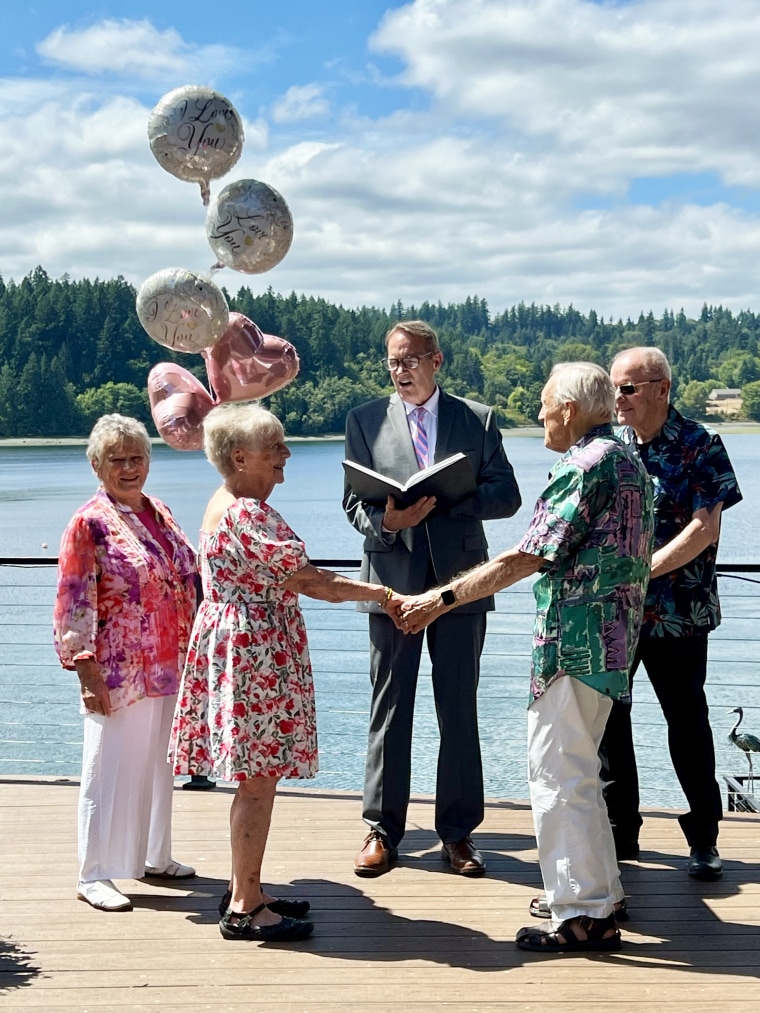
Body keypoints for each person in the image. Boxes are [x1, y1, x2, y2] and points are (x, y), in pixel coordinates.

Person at [396, 362, 654, 953]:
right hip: (610, 643)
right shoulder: (627, 458)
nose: (537, 414)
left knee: (558, 777)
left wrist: (440, 599)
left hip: (575, 643)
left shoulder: (584, 466)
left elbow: (525, 556)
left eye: (543, 403)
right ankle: (599, 895)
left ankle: (581, 915)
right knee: (579, 773)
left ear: (567, 407)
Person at [170, 402, 402, 942]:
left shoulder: (225, 500)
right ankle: (245, 907)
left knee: (257, 779)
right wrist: (385, 594)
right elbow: (310, 580)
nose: (285, 456)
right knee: (257, 780)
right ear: (239, 456)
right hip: (255, 656)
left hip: (244, 647)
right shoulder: (245, 512)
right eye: (274, 447)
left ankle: (246, 888)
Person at [343, 320, 521, 877]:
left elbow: (508, 496)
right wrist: (387, 521)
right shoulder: (363, 420)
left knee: (458, 709)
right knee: (389, 707)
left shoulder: (479, 418)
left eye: (411, 360)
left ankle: (460, 834)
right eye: (393, 362)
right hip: (391, 584)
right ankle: (382, 830)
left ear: (436, 360)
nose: (401, 371)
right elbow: (353, 504)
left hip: (461, 585)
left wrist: (451, 498)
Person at [600, 347, 742, 879]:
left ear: (661, 388)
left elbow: (705, 530)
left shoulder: (701, 446)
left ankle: (704, 838)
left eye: (628, 389)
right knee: (610, 720)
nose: (618, 398)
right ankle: (621, 832)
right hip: (616, 614)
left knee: (686, 723)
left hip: (678, 612)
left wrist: (640, 571)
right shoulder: (609, 447)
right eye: (615, 388)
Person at [53, 414, 198, 912]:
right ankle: (94, 872)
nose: (130, 467)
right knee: (107, 769)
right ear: (97, 464)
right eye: (118, 459)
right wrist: (86, 672)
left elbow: (188, 579)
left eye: (138, 457)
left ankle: (155, 857)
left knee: (159, 766)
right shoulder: (88, 523)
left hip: (168, 662)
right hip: (118, 670)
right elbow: (74, 605)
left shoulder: (160, 511)